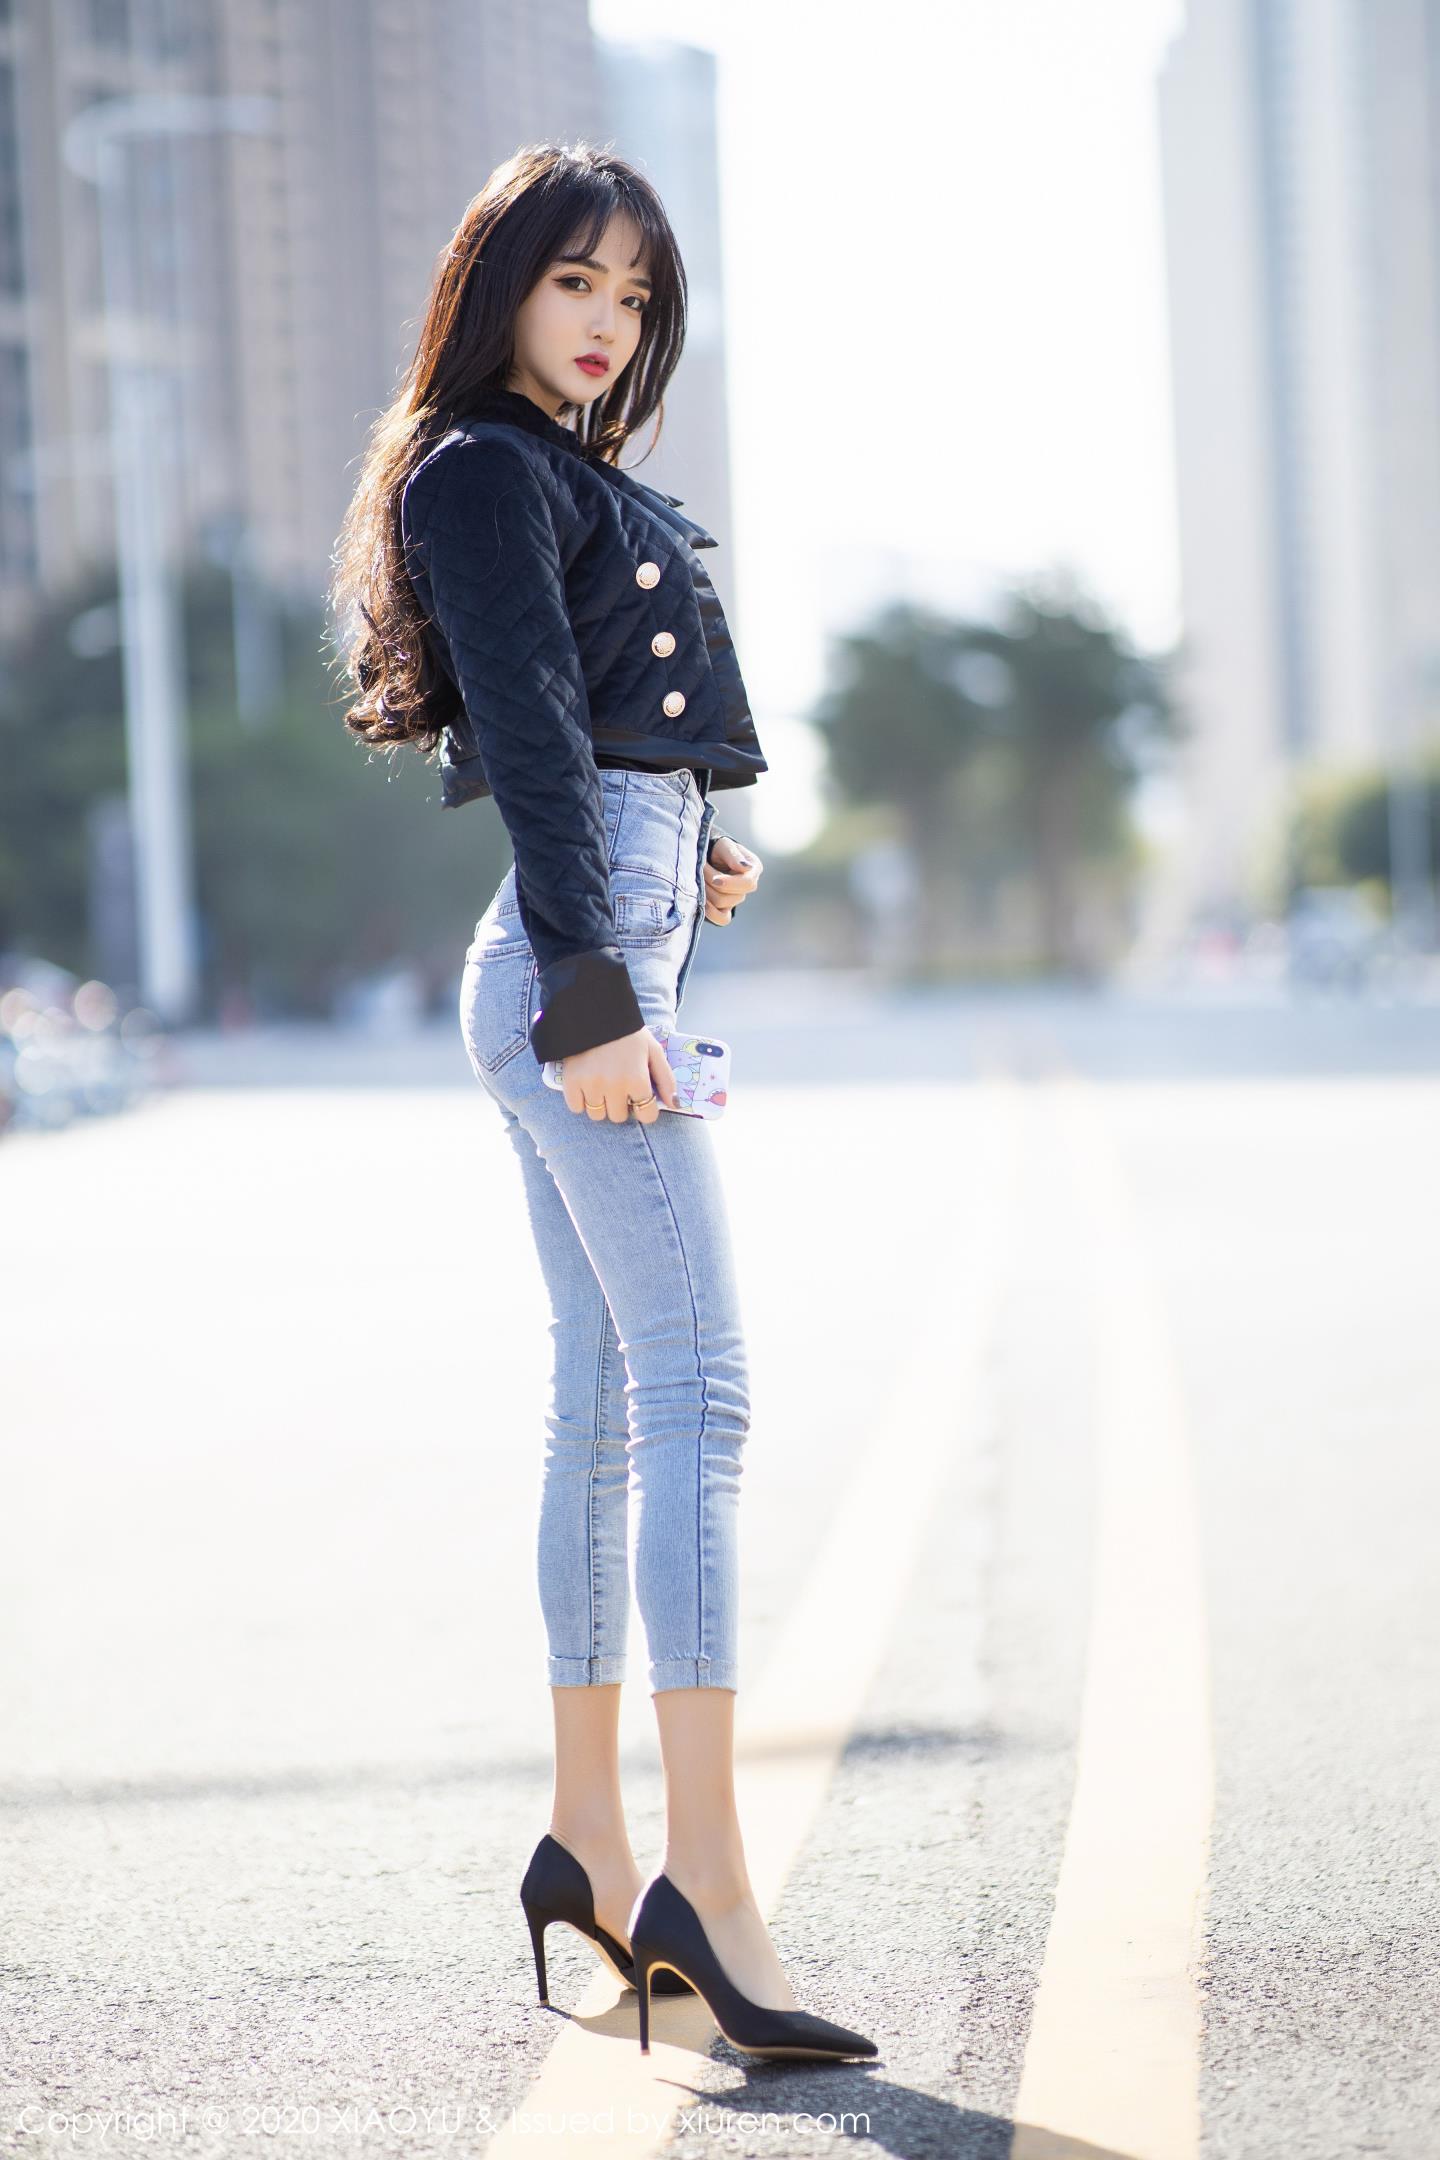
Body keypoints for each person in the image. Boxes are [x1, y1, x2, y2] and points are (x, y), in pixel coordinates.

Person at [329, 141, 875, 2064]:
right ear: (499, 288)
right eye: (575, 282)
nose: (606, 323)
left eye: (634, 297)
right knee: (697, 1391)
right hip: (578, 975)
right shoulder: (479, 468)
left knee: (611, 1404)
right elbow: (537, 736)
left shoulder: (554, 473)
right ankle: (705, 1888)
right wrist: (593, 983)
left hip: (603, 944)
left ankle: (590, 1835)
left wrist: (686, 846)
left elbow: (609, 726)